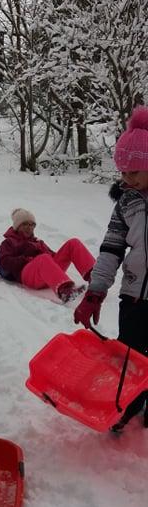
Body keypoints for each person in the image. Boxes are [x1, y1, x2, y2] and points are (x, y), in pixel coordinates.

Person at [74, 105, 148, 432]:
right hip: (133, 296)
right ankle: (126, 406)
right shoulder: (126, 203)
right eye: (123, 172)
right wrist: (95, 292)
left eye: (133, 172)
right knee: (129, 357)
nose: (126, 179)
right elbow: (111, 249)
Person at [0, 208, 95, 302]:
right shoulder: (9, 242)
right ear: (17, 226)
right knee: (43, 258)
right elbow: (4, 261)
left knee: (73, 243)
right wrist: (27, 259)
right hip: (28, 276)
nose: (29, 227)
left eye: (32, 224)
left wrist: (64, 255)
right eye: (25, 224)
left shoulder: (38, 242)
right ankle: (65, 291)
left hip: (48, 274)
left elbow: (53, 256)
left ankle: (96, 278)